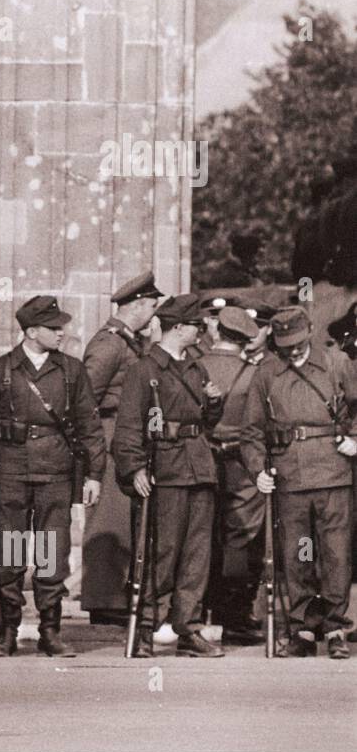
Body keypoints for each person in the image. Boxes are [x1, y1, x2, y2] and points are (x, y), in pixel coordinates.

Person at [0, 296, 105, 657]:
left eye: (61, 327)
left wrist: (94, 475)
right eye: (53, 328)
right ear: (30, 331)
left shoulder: (71, 371)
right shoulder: (1, 369)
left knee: (52, 553)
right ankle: (7, 630)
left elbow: (89, 425)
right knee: (8, 552)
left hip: (56, 472)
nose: (61, 333)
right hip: (9, 471)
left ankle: (50, 631)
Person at [112, 293, 225, 658]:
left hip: (198, 467)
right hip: (164, 467)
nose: (203, 328)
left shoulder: (196, 366)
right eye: (197, 324)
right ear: (179, 328)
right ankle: (146, 626)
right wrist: (133, 468)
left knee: (196, 556)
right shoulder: (145, 369)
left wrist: (213, 404)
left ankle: (187, 628)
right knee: (158, 553)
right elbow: (129, 424)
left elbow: (205, 423)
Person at [241, 306, 356, 659]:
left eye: (297, 342)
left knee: (336, 553)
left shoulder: (336, 363)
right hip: (289, 478)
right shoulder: (267, 373)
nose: (292, 350)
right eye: (285, 344)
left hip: (333, 473)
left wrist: (355, 436)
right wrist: (258, 468)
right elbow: (251, 430)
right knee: (298, 552)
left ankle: (336, 627)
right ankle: (304, 626)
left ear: (309, 333)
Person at [81, 271, 163, 622]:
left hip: (126, 435)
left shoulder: (129, 341)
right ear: (138, 305)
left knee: (126, 519)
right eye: (152, 306)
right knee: (109, 519)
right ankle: (104, 601)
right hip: (109, 436)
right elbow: (85, 400)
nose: (154, 313)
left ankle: (119, 595)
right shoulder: (110, 343)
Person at [199, 307, 266, 644]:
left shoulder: (195, 367)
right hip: (242, 463)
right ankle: (235, 615)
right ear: (245, 339)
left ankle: (198, 610)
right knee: (241, 537)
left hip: (201, 460)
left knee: (201, 535)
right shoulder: (254, 374)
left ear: (218, 332)